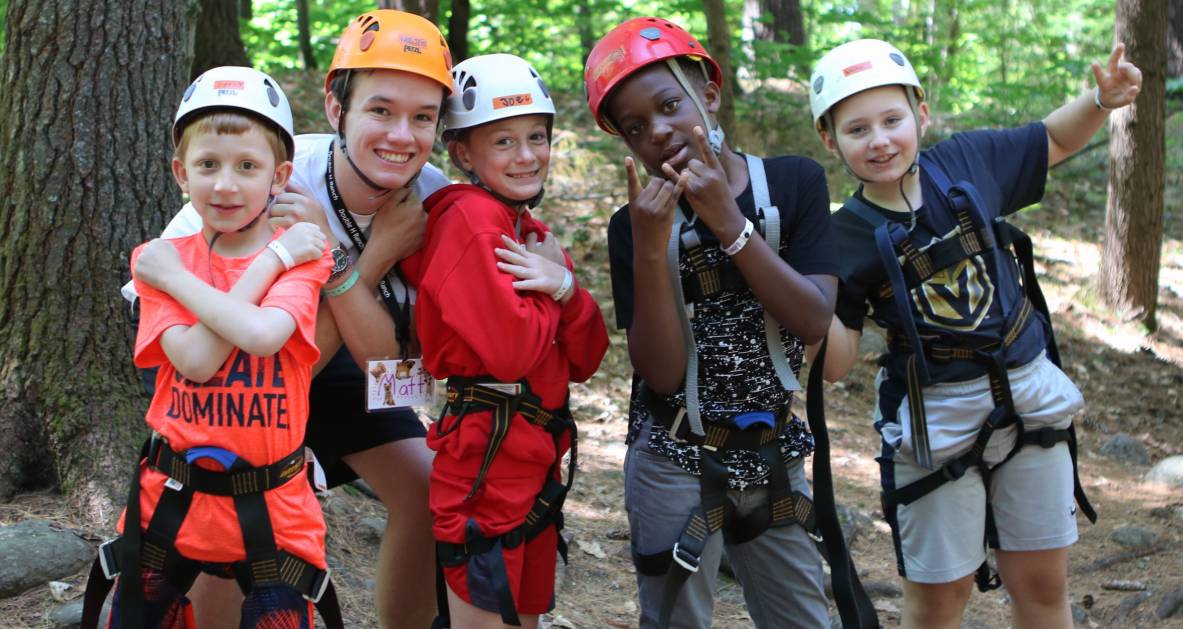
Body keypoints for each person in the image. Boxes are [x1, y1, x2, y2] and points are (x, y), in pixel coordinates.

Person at [119, 10, 455, 628]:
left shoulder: (431, 199)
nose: (400, 135)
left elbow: (391, 367)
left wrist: (350, 263)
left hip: (337, 356)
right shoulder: (259, 172)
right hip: (222, 359)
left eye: (422, 117)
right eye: (380, 110)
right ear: (336, 108)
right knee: (227, 524)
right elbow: (246, 352)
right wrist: (375, 252)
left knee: (427, 488)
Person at [807, 39, 1142, 629]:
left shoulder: (966, 163)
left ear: (922, 114)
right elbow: (836, 364)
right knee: (939, 601)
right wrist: (800, 304)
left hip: (1029, 398)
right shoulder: (841, 240)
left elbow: (1054, 140)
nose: (880, 140)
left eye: (892, 119)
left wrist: (1099, 99)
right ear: (830, 140)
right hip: (934, 418)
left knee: (1041, 585)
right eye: (857, 129)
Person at [584, 17, 847, 628]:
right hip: (672, 456)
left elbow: (812, 319)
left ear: (708, 92)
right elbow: (661, 370)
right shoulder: (635, 225)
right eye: (635, 128)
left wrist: (730, 225)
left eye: (670, 104)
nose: (659, 132)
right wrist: (652, 249)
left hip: (772, 449)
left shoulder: (790, 183)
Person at [92, 65, 334, 628]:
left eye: (247, 167)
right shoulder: (161, 259)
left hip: (275, 508)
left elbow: (263, 335)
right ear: (182, 172)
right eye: (208, 165)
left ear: (279, 177)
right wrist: (253, 267)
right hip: (171, 501)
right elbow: (196, 363)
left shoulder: (301, 254)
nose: (225, 185)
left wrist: (255, 262)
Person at [399, 53, 609, 628]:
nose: (527, 156)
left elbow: (588, 357)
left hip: (532, 458)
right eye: (504, 142)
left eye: (537, 137)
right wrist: (552, 294)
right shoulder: (469, 219)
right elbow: (512, 351)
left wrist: (565, 287)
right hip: (486, 464)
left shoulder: (530, 233)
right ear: (463, 153)